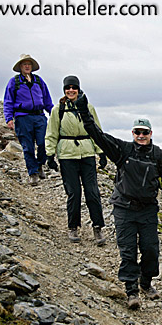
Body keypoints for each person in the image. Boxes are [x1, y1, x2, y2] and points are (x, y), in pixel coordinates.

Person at [75, 94, 162, 309]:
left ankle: (146, 282)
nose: (141, 135)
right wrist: (83, 112)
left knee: (151, 249)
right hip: (124, 208)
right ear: (132, 133)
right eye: (137, 132)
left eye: (145, 132)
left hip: (147, 210)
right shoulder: (123, 150)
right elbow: (98, 135)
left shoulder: (158, 155)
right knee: (127, 251)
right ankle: (131, 291)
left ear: (151, 134)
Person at [44, 76, 107, 245]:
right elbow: (51, 133)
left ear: (79, 89)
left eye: (74, 87)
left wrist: (101, 153)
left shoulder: (88, 108)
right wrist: (50, 155)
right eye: (68, 88)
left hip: (87, 154)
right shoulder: (58, 109)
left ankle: (98, 227)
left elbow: (96, 131)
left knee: (92, 192)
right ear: (64, 90)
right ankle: (73, 227)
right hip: (67, 155)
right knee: (74, 193)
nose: (71, 90)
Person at [3, 54, 54, 186]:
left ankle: (40, 165)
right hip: (22, 117)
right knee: (28, 147)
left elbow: (47, 99)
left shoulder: (38, 80)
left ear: (32, 67)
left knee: (43, 143)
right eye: (24, 64)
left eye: (29, 64)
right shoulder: (14, 82)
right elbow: (8, 101)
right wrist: (9, 118)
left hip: (39, 116)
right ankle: (33, 173)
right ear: (20, 66)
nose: (27, 66)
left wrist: (54, 114)